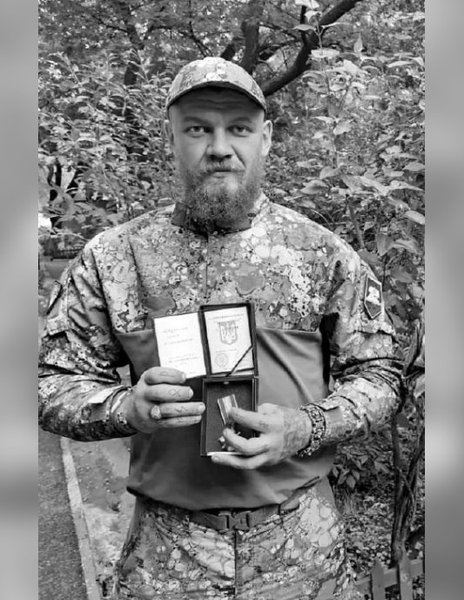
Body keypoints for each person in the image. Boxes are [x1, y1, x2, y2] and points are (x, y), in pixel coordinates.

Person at [39, 57, 402, 600]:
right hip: (167, 553)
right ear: (172, 137)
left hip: (302, 545)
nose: (219, 147)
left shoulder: (320, 254)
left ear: (266, 137)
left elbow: (381, 376)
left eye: (239, 128)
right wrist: (126, 408)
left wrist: (305, 426)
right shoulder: (116, 259)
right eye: (197, 128)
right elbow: (51, 384)